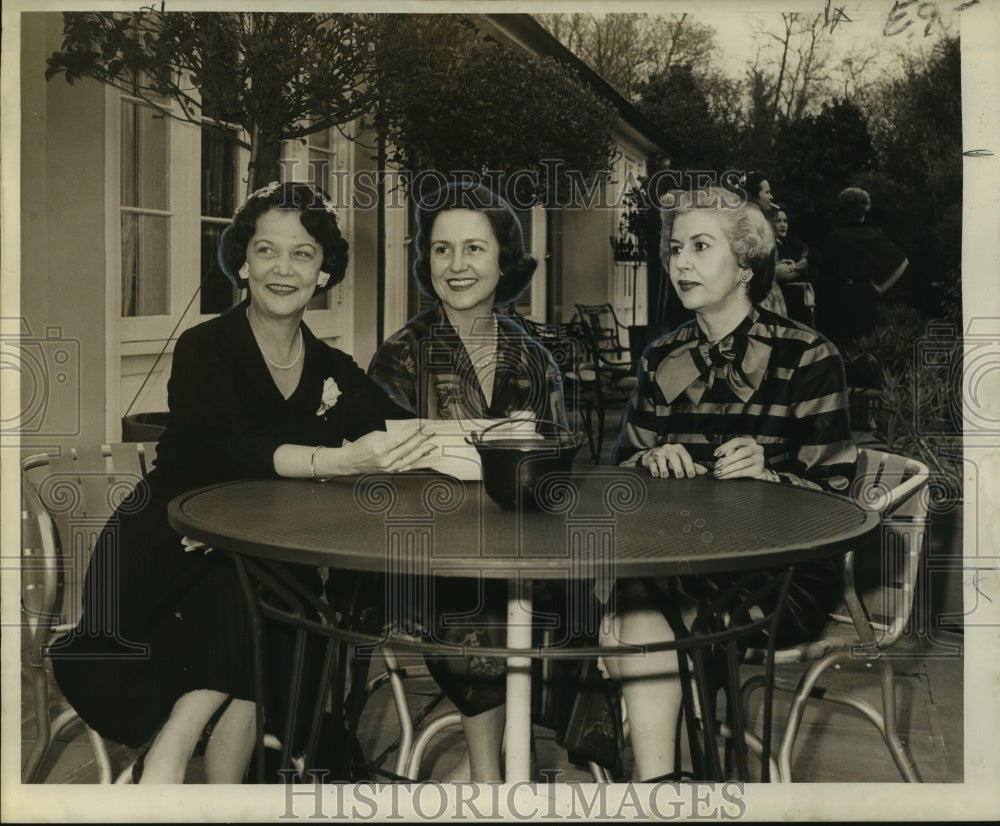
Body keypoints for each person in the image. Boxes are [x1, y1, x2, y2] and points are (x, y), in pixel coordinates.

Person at [53, 182, 432, 784]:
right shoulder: (205, 347)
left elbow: (406, 430)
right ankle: (175, 754)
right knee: (262, 590)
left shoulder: (331, 365)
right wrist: (334, 462)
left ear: (325, 272)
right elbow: (230, 446)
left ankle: (208, 783)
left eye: (303, 254)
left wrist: (491, 435)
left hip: (255, 547)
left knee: (274, 583)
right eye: (266, 250)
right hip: (168, 539)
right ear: (242, 262)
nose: (283, 269)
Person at [601, 185, 858, 781]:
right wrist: (650, 460)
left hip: (779, 574)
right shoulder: (661, 356)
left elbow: (841, 498)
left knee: (638, 610)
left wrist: (771, 473)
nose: (680, 263)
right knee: (636, 602)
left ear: (745, 264)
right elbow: (619, 481)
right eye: (673, 249)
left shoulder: (808, 356)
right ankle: (659, 790)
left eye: (700, 246)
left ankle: (664, 774)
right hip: (676, 557)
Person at [368, 182, 571, 782]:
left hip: (524, 548)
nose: (457, 266)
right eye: (441, 250)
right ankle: (494, 780)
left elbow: (559, 472)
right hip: (430, 553)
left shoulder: (532, 357)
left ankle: (522, 753)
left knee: (589, 595)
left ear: (504, 261)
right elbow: (387, 477)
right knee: (479, 610)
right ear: (425, 261)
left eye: (475, 249)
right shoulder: (401, 357)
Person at [818, 187, 909, 350]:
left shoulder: (833, 238)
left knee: (840, 349)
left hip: (838, 297)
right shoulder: (874, 236)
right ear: (865, 209)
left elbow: (823, 276)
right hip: (866, 296)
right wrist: (881, 289)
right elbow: (903, 262)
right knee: (865, 349)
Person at [741, 171, 788, 317]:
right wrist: (775, 271)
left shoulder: (756, 219)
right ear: (754, 196)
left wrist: (775, 265)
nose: (771, 197)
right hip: (758, 297)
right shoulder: (751, 222)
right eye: (767, 192)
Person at [772, 207, 816, 326]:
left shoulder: (794, 243)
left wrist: (794, 267)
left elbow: (810, 257)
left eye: (785, 221)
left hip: (800, 298)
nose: (783, 225)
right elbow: (780, 274)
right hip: (781, 299)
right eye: (778, 221)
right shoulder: (768, 245)